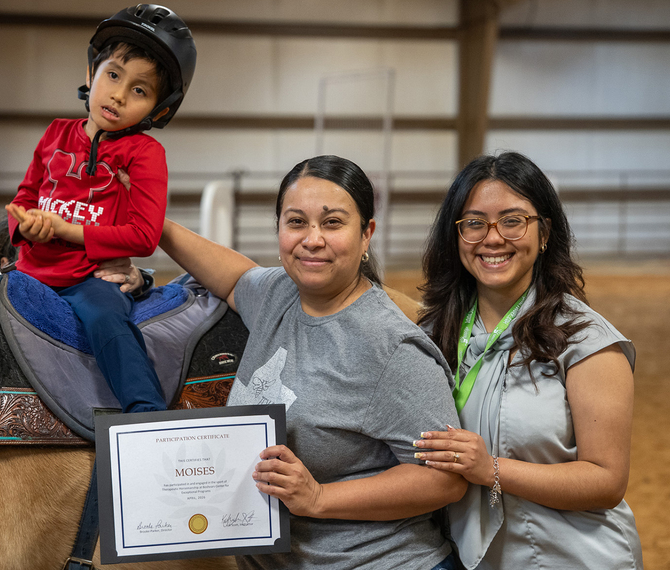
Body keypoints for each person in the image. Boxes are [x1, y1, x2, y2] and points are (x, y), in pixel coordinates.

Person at [155, 155, 467, 570]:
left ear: (366, 233)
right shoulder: (277, 294)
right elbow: (232, 277)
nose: (312, 239)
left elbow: (444, 479)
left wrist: (319, 498)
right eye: (296, 222)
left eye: (333, 222)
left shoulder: (392, 346)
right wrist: (154, 225)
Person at [413, 152, 643, 569]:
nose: (493, 238)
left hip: (570, 558)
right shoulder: (438, 333)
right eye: (475, 223)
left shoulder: (587, 341)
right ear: (456, 234)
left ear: (544, 233)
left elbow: (606, 481)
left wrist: (491, 469)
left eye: (513, 220)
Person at [0, 4, 196, 413]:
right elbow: (25, 198)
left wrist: (67, 231)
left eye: (139, 90)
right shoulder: (55, 133)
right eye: (113, 76)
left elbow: (143, 235)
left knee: (106, 320)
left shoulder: (145, 154)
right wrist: (25, 227)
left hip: (89, 279)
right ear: (91, 74)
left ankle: (144, 412)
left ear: (159, 109)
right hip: (30, 269)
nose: (119, 95)